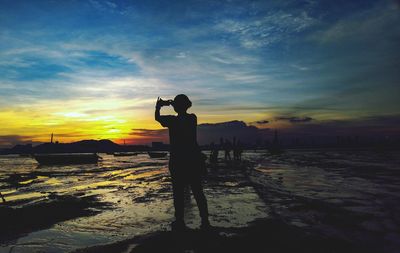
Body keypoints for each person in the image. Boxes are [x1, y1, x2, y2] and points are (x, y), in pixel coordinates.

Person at [155, 94, 210, 230]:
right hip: (192, 159)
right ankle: (205, 220)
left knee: (178, 193)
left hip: (178, 161)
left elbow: (157, 117)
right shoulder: (192, 118)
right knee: (197, 191)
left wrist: (159, 106)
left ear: (178, 106)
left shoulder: (173, 121)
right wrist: (173, 103)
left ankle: (179, 220)